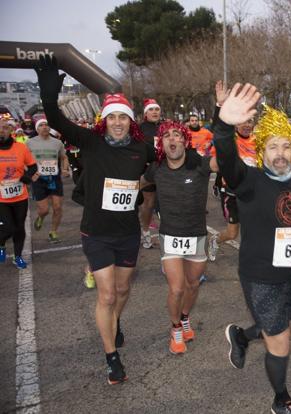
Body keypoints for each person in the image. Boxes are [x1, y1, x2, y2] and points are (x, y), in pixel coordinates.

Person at [215, 85, 291, 414]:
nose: (280, 153)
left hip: (290, 270)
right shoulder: (249, 179)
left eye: (286, 146)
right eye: (273, 147)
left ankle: (241, 336)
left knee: (284, 324)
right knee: (280, 339)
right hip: (259, 274)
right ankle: (280, 399)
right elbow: (226, 159)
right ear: (262, 150)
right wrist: (223, 124)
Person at [35, 55, 155, 385]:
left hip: (128, 233)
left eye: (123, 117)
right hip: (97, 233)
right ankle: (112, 358)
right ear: (105, 119)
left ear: (131, 121)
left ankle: (114, 322)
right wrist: (48, 94)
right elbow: (57, 119)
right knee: (106, 295)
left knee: (123, 288)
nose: (118, 122)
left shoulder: (142, 149)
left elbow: (163, 162)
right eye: (112, 116)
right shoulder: (91, 141)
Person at [143, 121, 211, 354]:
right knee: (177, 289)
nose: (172, 139)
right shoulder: (156, 168)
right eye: (167, 136)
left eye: (176, 135)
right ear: (161, 143)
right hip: (170, 236)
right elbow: (138, 183)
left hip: (197, 236)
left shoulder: (199, 165)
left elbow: (225, 163)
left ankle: (184, 318)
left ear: (184, 140)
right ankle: (175, 329)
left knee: (192, 285)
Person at [208, 81, 255, 262]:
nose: (246, 124)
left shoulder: (258, 141)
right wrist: (220, 106)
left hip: (251, 192)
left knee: (256, 227)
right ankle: (216, 240)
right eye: (242, 121)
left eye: (249, 121)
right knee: (232, 233)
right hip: (231, 193)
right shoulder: (230, 139)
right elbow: (217, 130)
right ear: (235, 124)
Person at [0, 118, 37, 269]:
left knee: (20, 228)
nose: (1, 130)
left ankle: (18, 256)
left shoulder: (21, 148)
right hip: (1, 198)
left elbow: (33, 167)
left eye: (5, 128)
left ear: (10, 130)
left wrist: (26, 178)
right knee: (10, 227)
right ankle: (1, 244)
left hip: (20, 196)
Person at [27, 118, 70, 243]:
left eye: (46, 125)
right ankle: (40, 217)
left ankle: (53, 232)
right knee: (44, 209)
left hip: (54, 178)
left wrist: (65, 168)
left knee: (57, 207)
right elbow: (24, 160)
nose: (45, 127)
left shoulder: (57, 143)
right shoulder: (30, 143)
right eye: (41, 125)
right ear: (37, 129)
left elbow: (64, 157)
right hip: (39, 179)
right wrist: (29, 174)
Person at [139, 98, 161, 249]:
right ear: (145, 113)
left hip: (166, 169)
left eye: (157, 109)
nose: (155, 112)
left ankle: (169, 235)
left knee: (167, 202)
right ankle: (145, 232)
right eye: (151, 110)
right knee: (149, 203)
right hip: (147, 169)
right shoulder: (139, 128)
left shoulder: (165, 126)